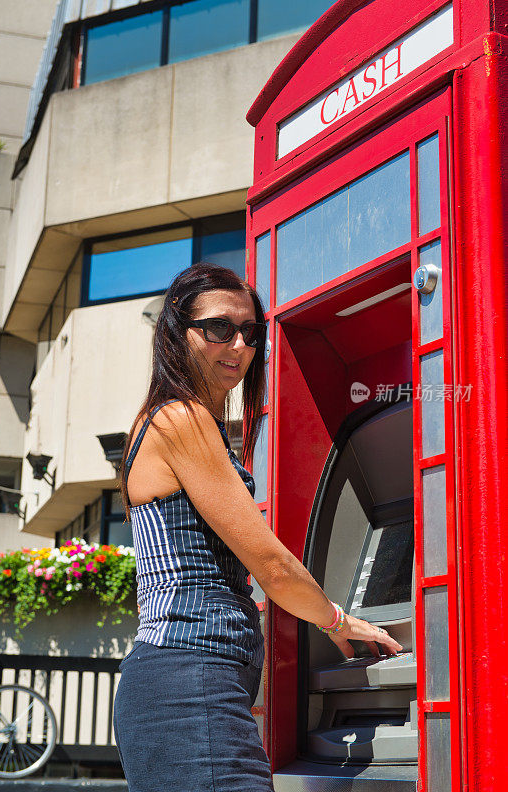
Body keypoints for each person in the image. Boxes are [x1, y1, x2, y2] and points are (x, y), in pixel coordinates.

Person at [113, 263, 402, 792]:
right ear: (178, 331)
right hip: (187, 686)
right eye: (219, 327)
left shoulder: (189, 423)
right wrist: (339, 621)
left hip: (186, 685)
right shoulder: (181, 418)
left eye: (251, 331)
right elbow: (270, 565)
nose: (239, 345)